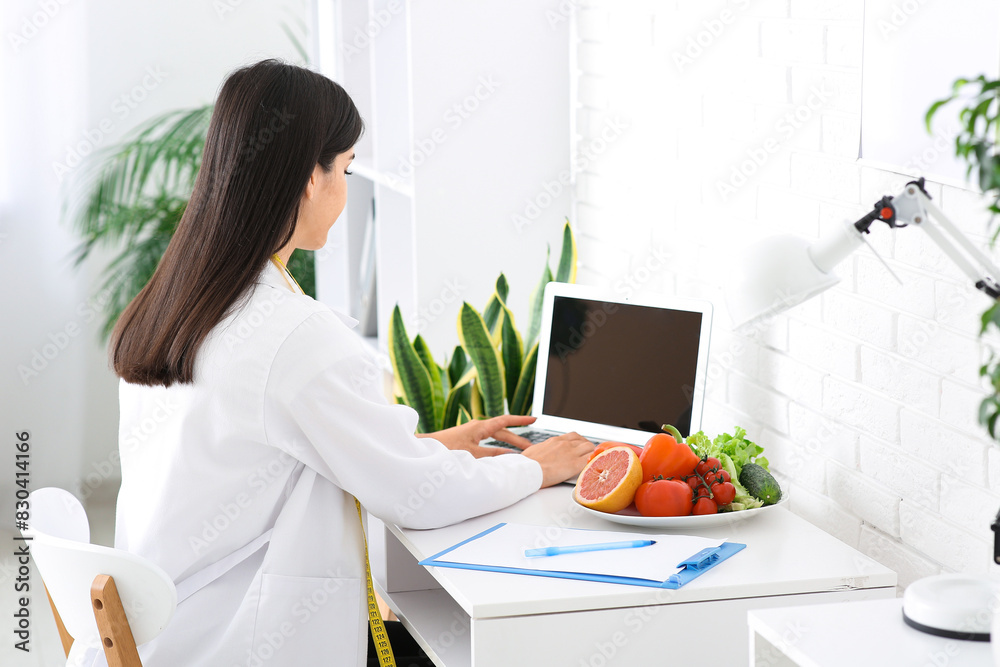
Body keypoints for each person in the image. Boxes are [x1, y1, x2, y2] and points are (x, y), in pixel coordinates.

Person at [70, 60, 593, 667]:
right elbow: (419, 498)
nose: (345, 189)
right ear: (309, 179)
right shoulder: (292, 335)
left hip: (167, 633)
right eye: (345, 169)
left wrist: (429, 446)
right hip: (237, 645)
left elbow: (266, 455)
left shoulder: (176, 305)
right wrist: (534, 467)